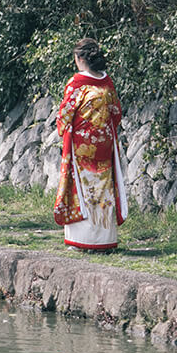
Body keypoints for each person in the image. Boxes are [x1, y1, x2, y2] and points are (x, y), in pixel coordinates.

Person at [53, 38, 128, 251]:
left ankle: (83, 240)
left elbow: (65, 115)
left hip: (81, 146)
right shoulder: (106, 82)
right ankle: (104, 239)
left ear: (79, 59)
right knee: (103, 189)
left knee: (82, 189)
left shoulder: (77, 83)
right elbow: (116, 113)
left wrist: (64, 130)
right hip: (104, 144)